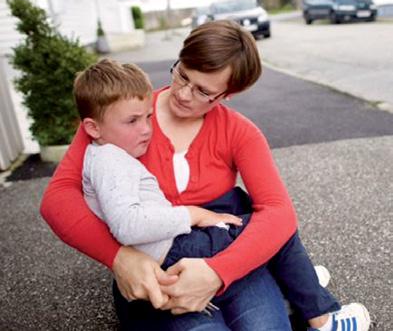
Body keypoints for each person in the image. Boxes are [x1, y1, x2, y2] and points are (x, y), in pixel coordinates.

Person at [41, 20, 370, 331]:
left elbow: (278, 212)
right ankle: (288, 285)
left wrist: (216, 272)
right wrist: (119, 258)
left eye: (203, 91)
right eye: (182, 75)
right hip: (156, 274)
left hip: (227, 261)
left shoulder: (240, 132)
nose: (183, 94)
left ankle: (293, 291)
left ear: (227, 94)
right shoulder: (124, 114)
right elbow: (57, 200)